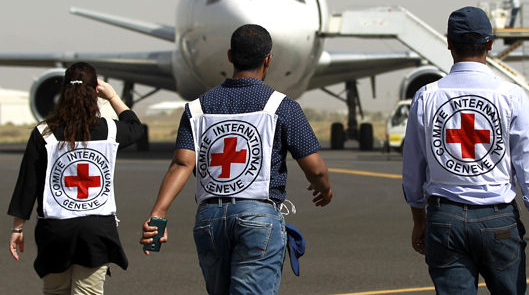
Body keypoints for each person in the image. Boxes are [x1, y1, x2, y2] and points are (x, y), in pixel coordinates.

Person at [140, 24, 332, 295]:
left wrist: (158, 214)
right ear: (268, 59)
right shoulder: (282, 106)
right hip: (257, 217)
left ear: (230, 56)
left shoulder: (196, 108)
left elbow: (182, 164)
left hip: (208, 218)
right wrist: (325, 188)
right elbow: (315, 168)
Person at [402, 6, 529, 295]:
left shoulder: (426, 97)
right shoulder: (511, 96)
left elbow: (413, 171)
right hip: (499, 220)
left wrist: (419, 221)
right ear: (490, 44)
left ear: (448, 43)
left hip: (444, 219)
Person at [8, 62, 144, 295]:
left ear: (63, 91)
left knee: (55, 291)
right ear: (94, 92)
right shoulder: (110, 131)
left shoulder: (44, 132)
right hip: (96, 229)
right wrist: (112, 96)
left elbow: (28, 181)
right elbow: (135, 127)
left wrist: (17, 228)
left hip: (55, 229)